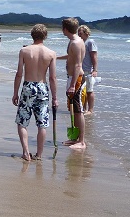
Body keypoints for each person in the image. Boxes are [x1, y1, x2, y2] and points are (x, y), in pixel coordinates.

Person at [12, 24, 57, 161]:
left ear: (32, 35)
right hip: (42, 87)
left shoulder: (24, 51)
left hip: (28, 86)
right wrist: (55, 97)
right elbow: (52, 78)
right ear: (45, 36)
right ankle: (39, 154)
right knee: (42, 123)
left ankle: (26, 152)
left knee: (22, 121)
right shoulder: (51, 53)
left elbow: (19, 74)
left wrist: (15, 93)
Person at [58, 17, 86, 150]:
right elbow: (71, 57)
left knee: (78, 109)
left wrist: (72, 85)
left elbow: (77, 65)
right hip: (72, 77)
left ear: (65, 29)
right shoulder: (74, 41)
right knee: (73, 109)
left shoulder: (75, 42)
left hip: (77, 78)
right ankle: (74, 139)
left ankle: (81, 141)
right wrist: (56, 57)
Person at [78, 25, 98, 115]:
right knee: (83, 91)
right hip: (81, 70)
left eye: (81, 33)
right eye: (78, 33)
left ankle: (90, 110)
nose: (79, 35)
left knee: (89, 91)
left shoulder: (90, 42)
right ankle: (84, 108)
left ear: (86, 33)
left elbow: (94, 56)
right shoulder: (80, 43)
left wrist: (95, 70)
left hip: (88, 71)